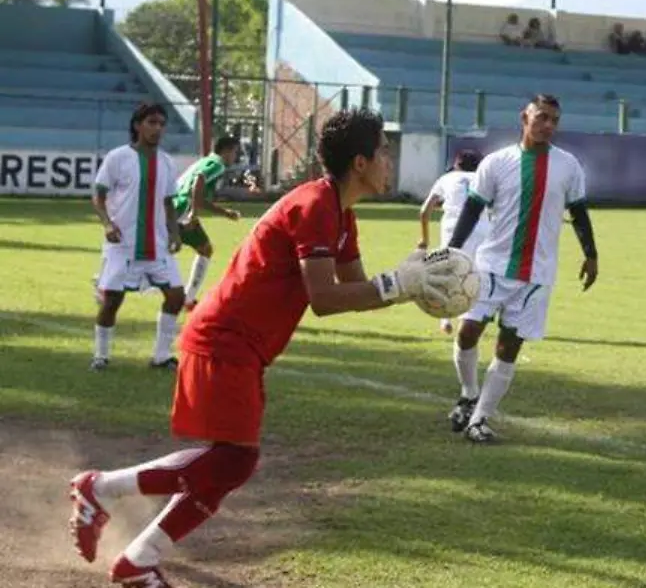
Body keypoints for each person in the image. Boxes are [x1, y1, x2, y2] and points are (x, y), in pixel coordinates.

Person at [68, 108, 460, 586]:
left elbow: (356, 292)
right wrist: (397, 283)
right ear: (359, 162)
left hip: (243, 345)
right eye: (383, 151)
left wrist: (409, 283)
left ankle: (136, 556)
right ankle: (103, 493)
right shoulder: (316, 205)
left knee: (229, 465)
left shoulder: (340, 214)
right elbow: (324, 299)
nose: (389, 161)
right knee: (234, 459)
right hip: (225, 337)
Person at [444, 94, 598, 444]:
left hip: (536, 275)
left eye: (554, 120)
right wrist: (453, 250)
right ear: (524, 117)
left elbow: (579, 211)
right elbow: (472, 208)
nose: (548, 125)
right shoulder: (497, 163)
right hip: (492, 266)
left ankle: (480, 419)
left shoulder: (568, 165)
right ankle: (469, 394)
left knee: (508, 347)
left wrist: (591, 254)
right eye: (542, 117)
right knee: (467, 332)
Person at [90, 102, 185, 372]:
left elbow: (168, 202)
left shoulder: (166, 162)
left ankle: (161, 355)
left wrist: (174, 231)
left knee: (176, 296)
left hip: (157, 245)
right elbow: (98, 196)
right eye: (151, 122)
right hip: (123, 244)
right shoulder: (118, 157)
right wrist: (107, 224)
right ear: (137, 125)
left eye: (161, 124)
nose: (157, 129)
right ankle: (101, 355)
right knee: (112, 302)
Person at [418, 148, 490, 334]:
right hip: (482, 229)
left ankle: (445, 319)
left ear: (456, 165)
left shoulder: (447, 179)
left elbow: (425, 211)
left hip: (453, 229)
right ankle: (470, 317)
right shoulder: (483, 179)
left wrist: (424, 239)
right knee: (476, 274)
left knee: (447, 272)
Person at [173, 135, 244, 311]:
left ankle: (188, 299)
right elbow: (198, 181)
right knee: (160, 254)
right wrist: (193, 213)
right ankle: (108, 284)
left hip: (176, 208)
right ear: (226, 151)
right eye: (235, 152)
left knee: (202, 249)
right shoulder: (217, 164)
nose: (235, 157)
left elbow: (199, 196)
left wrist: (224, 213)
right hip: (181, 211)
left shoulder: (206, 161)